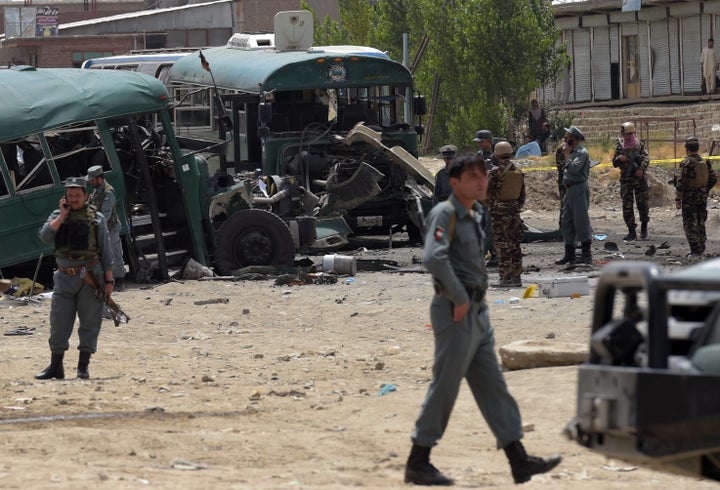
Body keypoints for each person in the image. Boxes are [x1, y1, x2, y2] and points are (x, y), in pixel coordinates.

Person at [404, 153, 561, 486]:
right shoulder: (445, 213)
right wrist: (459, 297)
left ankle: (518, 459)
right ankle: (418, 460)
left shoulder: (476, 213)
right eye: (472, 176)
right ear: (454, 182)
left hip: (477, 312)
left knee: (493, 386)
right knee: (445, 387)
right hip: (454, 310)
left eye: (483, 175)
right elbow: (433, 258)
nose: (481, 180)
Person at [35, 177, 114, 380]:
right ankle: (56, 366)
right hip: (64, 278)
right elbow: (44, 236)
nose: (74, 199)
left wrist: (109, 281)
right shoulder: (57, 215)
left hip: (90, 276)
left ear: (85, 196)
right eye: (70, 196)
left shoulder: (97, 218)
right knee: (59, 321)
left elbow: (106, 251)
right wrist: (62, 215)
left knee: (90, 321)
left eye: (77, 195)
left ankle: (83, 367)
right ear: (65, 197)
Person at [487, 142, 526, 287]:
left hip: (499, 212)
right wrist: (515, 207)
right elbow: (522, 196)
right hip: (514, 212)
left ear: (496, 154)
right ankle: (517, 277)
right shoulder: (518, 171)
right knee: (515, 243)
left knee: (502, 244)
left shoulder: (496, 172)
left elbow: (487, 191)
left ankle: (505, 278)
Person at [673, 137, 717, 258]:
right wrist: (703, 190)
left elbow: (681, 182)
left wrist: (678, 198)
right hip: (702, 198)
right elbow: (713, 179)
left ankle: (695, 250)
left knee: (689, 223)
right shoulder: (705, 161)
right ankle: (701, 247)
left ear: (686, 149)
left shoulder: (686, 163)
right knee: (700, 221)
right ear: (697, 148)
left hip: (689, 198)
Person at [555, 126, 593, 266]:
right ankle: (569, 254)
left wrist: (567, 155)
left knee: (581, 221)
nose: (565, 140)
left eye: (567, 137)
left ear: (574, 139)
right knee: (567, 221)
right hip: (569, 189)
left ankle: (586, 254)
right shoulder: (571, 152)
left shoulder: (581, 153)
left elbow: (574, 169)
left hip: (578, 188)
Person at [87, 165, 126, 290]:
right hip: (101, 229)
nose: (91, 182)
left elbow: (105, 215)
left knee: (115, 254)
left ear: (99, 178)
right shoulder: (97, 191)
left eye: (92, 180)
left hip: (110, 228)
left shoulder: (108, 192)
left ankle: (119, 280)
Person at [612, 122, 650, 241]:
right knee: (627, 206)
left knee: (642, 204)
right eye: (624, 134)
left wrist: (641, 169)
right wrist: (619, 158)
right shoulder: (620, 147)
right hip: (626, 179)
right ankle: (631, 231)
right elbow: (614, 163)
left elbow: (646, 158)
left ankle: (644, 226)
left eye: (628, 134)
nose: (626, 137)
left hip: (639, 179)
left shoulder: (640, 145)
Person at [473, 129, 498, 267]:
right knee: (481, 225)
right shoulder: (479, 155)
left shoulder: (497, 154)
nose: (480, 145)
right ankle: (492, 253)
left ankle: (486, 254)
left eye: (481, 142)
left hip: (491, 196)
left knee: (489, 227)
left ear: (489, 140)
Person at [555, 144, 567, 228]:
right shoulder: (562, 149)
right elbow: (562, 166)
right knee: (565, 205)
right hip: (565, 182)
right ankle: (563, 228)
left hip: (573, 181)